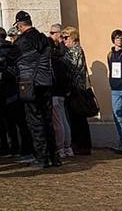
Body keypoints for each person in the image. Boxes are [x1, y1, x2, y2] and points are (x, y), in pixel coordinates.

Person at [14, 11, 59, 168]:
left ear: (20, 25)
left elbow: (14, 62)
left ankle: (41, 157)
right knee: (48, 120)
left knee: (35, 121)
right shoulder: (44, 40)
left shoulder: (21, 42)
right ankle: (55, 157)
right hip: (46, 82)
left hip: (29, 84)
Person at [0, 27, 33, 160]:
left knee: (2, 122)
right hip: (15, 89)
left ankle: (7, 145)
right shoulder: (15, 49)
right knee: (19, 121)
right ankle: (23, 147)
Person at [61, 26, 92, 155]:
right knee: (78, 119)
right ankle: (82, 144)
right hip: (77, 88)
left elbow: (72, 68)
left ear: (72, 38)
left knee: (78, 119)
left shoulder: (75, 51)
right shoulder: (75, 50)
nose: (64, 41)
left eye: (66, 38)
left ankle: (82, 145)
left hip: (76, 90)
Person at [48, 24, 73, 159]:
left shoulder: (57, 56)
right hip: (62, 91)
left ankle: (61, 147)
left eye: (52, 33)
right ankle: (67, 147)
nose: (50, 35)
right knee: (63, 120)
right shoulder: (64, 53)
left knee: (58, 122)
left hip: (56, 91)